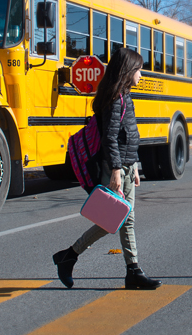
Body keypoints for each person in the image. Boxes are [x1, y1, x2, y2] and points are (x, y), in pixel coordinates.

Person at [52, 48, 161, 290]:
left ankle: (130, 270)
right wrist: (116, 171)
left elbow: (127, 136)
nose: (141, 75)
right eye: (139, 70)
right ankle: (71, 256)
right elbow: (110, 139)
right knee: (116, 219)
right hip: (117, 168)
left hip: (126, 166)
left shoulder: (123, 97)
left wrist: (134, 168)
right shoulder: (115, 101)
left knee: (123, 219)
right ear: (128, 71)